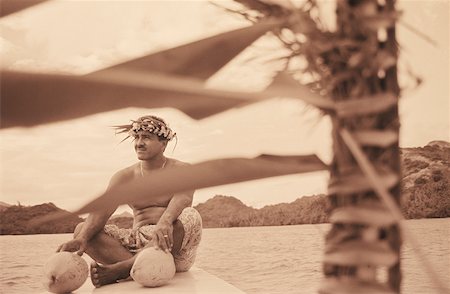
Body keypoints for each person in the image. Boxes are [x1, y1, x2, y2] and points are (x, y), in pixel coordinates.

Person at [56, 115, 202, 287]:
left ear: (163, 144)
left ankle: (123, 268)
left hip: (172, 247)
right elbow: (103, 210)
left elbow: (183, 198)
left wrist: (165, 221)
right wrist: (82, 238)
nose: (139, 143)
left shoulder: (182, 170)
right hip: (136, 246)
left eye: (146, 137)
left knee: (191, 215)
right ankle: (134, 265)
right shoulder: (124, 176)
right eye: (137, 137)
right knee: (83, 229)